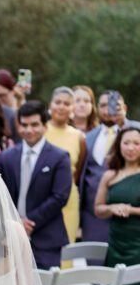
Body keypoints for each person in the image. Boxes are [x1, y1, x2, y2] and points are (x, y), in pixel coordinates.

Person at [0, 101, 73, 269]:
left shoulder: (59, 157)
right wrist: (16, 222)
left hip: (47, 236)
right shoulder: (6, 157)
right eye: (24, 125)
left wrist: (30, 222)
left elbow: (60, 196)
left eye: (34, 124)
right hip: (9, 235)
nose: (29, 130)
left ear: (45, 126)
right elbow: (1, 194)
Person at [81, 91, 140, 244]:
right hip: (93, 214)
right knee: (95, 262)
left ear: (124, 108)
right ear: (97, 108)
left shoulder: (135, 130)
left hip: (131, 214)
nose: (108, 110)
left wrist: (122, 123)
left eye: (114, 105)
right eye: (103, 105)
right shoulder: (88, 137)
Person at [96, 127, 140, 281]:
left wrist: (131, 210)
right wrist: (111, 208)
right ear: (118, 145)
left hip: (138, 243)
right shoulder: (109, 175)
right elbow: (98, 209)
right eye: (126, 143)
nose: (130, 148)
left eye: (136, 143)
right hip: (117, 243)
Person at [45, 87, 88, 245]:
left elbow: (78, 171)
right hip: (41, 198)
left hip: (68, 200)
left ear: (72, 108)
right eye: (58, 102)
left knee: (66, 248)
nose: (62, 106)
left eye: (66, 103)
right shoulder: (40, 131)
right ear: (50, 105)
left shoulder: (79, 137)